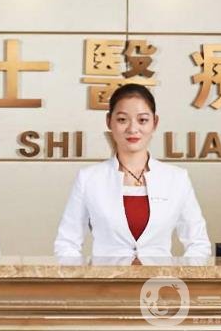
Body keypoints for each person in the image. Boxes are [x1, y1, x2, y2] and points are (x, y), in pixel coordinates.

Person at [54, 84, 211, 258]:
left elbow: (198, 244)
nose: (132, 129)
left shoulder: (176, 178)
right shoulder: (89, 178)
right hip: (105, 275)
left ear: (155, 122)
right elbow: (66, 243)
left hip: (159, 275)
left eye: (142, 120)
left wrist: (181, 274)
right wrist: (81, 274)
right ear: (109, 121)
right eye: (122, 120)